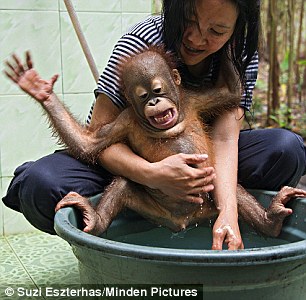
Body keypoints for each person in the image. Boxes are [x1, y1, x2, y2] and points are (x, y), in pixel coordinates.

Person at [3, 0, 306, 250]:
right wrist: (154, 175)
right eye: (189, 20)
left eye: (216, 30)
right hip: (129, 174)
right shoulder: (139, 50)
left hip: (206, 175)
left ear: (175, 81)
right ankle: (107, 229)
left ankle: (250, 221)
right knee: (39, 183)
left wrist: (228, 209)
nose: (197, 38)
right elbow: (91, 144)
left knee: (284, 149)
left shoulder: (211, 80)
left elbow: (226, 133)